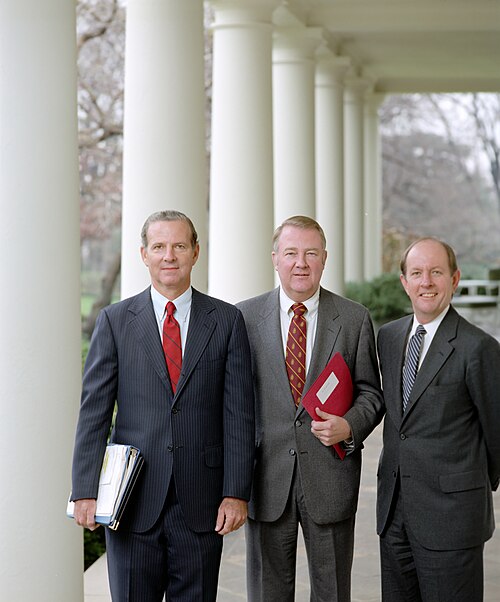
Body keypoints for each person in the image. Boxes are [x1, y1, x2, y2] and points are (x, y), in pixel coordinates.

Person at [70, 210, 255, 601]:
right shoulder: (115, 321)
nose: (169, 255)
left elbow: (239, 414)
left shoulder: (226, 320)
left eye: (179, 246)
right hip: (133, 501)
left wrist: (236, 492)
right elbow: (94, 412)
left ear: (195, 252)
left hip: (203, 502)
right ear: (144, 254)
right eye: (159, 247)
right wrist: (85, 489)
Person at [237, 215, 384, 602]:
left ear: (324, 259)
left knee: (333, 592)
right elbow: (233, 402)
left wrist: (349, 425)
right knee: (268, 593)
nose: (301, 263)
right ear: (275, 259)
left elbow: (372, 392)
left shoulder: (353, 319)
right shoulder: (245, 318)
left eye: (311, 253)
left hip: (330, 477)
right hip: (266, 478)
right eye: (291, 253)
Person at [376, 237, 500, 602]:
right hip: (394, 514)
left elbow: (497, 435)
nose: (426, 282)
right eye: (416, 273)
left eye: (435, 272)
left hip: (452, 519)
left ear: (454, 278)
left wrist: (465, 486)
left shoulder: (479, 348)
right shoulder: (389, 337)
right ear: (404, 282)